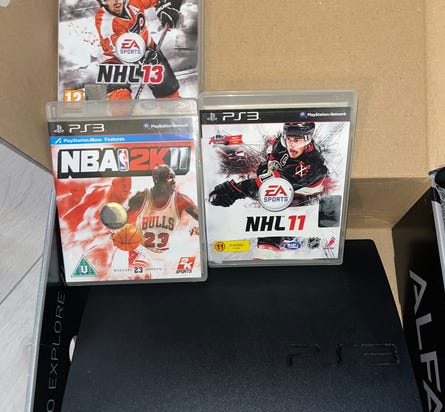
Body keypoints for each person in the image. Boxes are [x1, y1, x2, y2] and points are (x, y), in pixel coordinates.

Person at [208, 122, 333, 256]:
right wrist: (266, 168)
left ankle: (272, 248)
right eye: (289, 139)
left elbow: (271, 183)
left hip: (304, 200)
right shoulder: (281, 144)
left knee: (274, 211)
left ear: (308, 140)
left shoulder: (312, 165)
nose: (291, 144)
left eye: (297, 140)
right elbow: (270, 165)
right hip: (286, 191)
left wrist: (233, 191)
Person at [95, 0, 182, 100]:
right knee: (120, 98)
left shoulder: (133, 2)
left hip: (148, 51)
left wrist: (168, 6)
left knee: (167, 89)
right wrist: (144, 60)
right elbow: (125, 52)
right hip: (115, 61)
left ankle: (173, 104)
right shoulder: (106, 24)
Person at [125, 164, 199, 277]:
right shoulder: (141, 197)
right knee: (139, 276)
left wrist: (199, 229)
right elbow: (123, 221)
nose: (174, 181)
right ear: (156, 179)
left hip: (164, 255)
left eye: (174, 178)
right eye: (169, 177)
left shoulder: (181, 200)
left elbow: (203, 218)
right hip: (141, 250)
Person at [61, 176, 132, 278]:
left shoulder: (132, 203)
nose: (126, 187)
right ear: (114, 183)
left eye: (129, 184)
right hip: (83, 234)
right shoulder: (98, 192)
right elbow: (77, 211)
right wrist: (64, 229)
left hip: (106, 242)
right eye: (123, 184)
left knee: (100, 259)